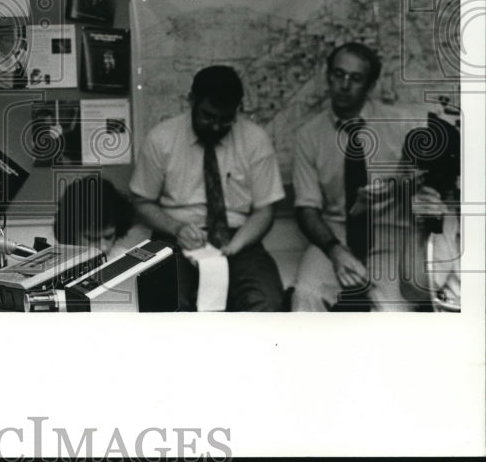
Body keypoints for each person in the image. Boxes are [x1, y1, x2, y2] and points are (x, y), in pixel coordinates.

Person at [291, 42, 443, 312]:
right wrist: (336, 252)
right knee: (305, 294)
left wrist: (401, 186)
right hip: (337, 233)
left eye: (356, 78)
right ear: (328, 76)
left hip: (391, 234)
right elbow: (307, 208)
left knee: (392, 313)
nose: (344, 85)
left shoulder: (402, 124)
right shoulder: (308, 136)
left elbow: (444, 155)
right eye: (338, 75)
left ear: (370, 86)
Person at [128, 65, 285, 311]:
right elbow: (141, 203)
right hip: (175, 237)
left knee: (267, 300)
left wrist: (237, 245)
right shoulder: (161, 139)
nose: (215, 127)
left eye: (225, 120)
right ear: (191, 100)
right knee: (164, 301)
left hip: (238, 238)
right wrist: (177, 229)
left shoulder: (255, 140)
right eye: (208, 116)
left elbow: (264, 210)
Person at [54, 176, 135, 258]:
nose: (104, 248)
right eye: (92, 238)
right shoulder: (56, 264)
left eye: (109, 237)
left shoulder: (123, 256)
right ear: (71, 234)